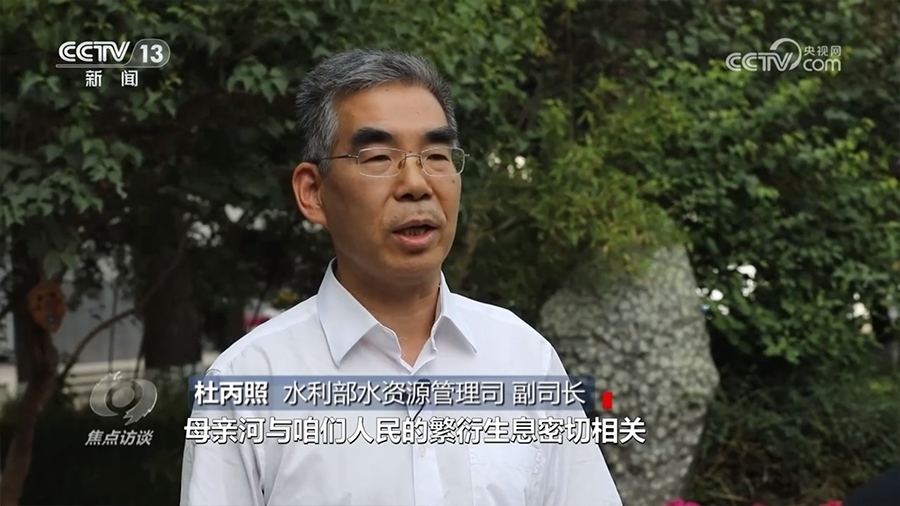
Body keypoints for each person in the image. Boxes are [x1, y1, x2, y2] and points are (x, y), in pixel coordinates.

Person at [180, 48, 622, 506]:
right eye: (378, 157)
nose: (416, 184)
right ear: (313, 192)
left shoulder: (524, 358)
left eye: (436, 155)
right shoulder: (247, 383)